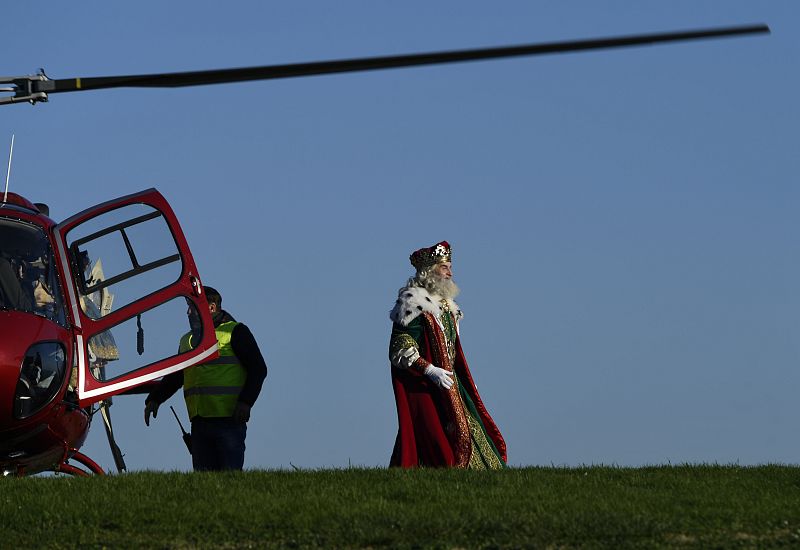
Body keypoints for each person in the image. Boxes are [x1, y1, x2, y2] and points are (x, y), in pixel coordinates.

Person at [388, 241, 507, 468]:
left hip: (451, 383)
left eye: (450, 267)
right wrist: (429, 370)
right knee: (434, 435)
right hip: (426, 385)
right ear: (429, 271)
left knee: (471, 429)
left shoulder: (448, 307)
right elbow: (399, 346)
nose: (450, 273)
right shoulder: (413, 303)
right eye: (445, 267)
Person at [144, 286, 268, 471]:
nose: (188, 312)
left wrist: (246, 402)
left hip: (229, 420)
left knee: (230, 479)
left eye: (192, 306)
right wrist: (155, 398)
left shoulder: (235, 332)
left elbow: (258, 369)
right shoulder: (186, 341)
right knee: (204, 484)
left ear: (211, 308)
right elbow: (177, 376)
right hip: (200, 422)